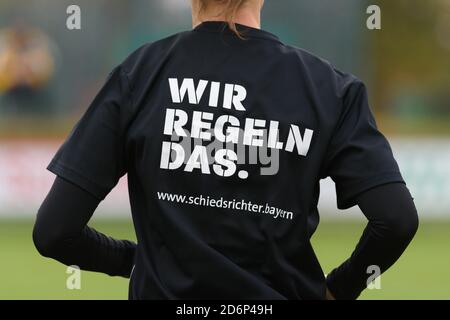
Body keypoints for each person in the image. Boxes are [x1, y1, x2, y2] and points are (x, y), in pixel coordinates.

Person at [33, 0, 418, 300]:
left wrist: (133, 261)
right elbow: (396, 219)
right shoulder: (330, 88)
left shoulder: (141, 74)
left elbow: (55, 231)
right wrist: (340, 288)